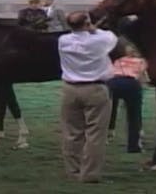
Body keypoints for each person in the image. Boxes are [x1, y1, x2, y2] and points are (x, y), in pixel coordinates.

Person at [58, 11, 117, 183]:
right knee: (95, 134)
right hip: (95, 89)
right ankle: (89, 174)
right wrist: (93, 29)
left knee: (71, 133)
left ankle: (73, 171)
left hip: (69, 89)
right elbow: (110, 37)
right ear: (87, 23)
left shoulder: (63, 41)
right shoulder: (100, 40)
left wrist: (87, 27)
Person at [107, 44, 147, 153]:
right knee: (134, 115)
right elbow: (142, 78)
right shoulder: (142, 61)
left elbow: (110, 73)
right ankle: (134, 145)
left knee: (108, 109)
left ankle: (106, 134)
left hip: (114, 82)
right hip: (131, 83)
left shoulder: (119, 60)